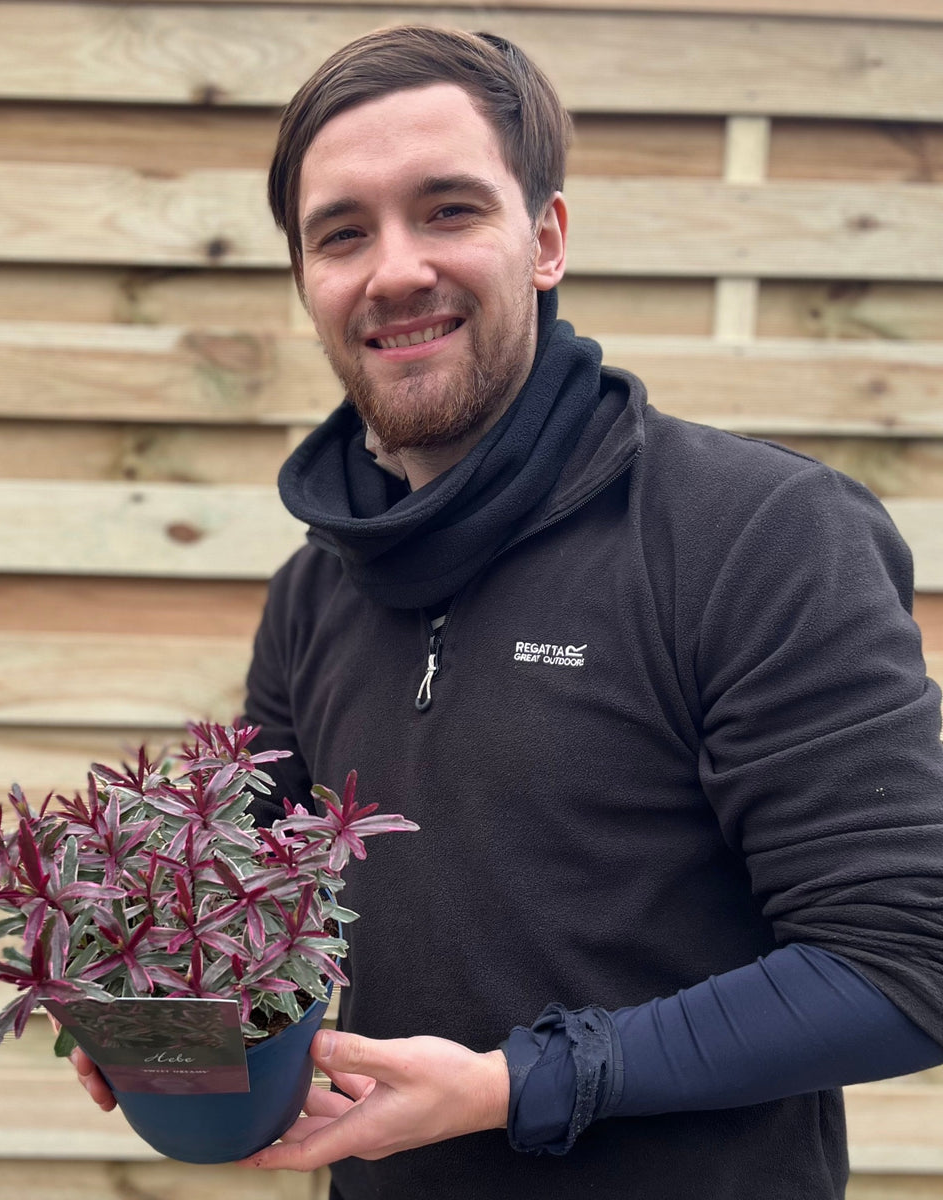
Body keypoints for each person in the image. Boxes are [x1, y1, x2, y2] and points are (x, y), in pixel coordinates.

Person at [69, 26, 943, 1198]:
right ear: (306, 284)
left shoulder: (756, 535)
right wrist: (145, 1009)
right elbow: (236, 902)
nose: (393, 270)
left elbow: (904, 963)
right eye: (342, 233)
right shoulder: (315, 588)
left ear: (544, 239)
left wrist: (509, 1085)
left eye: (447, 211)